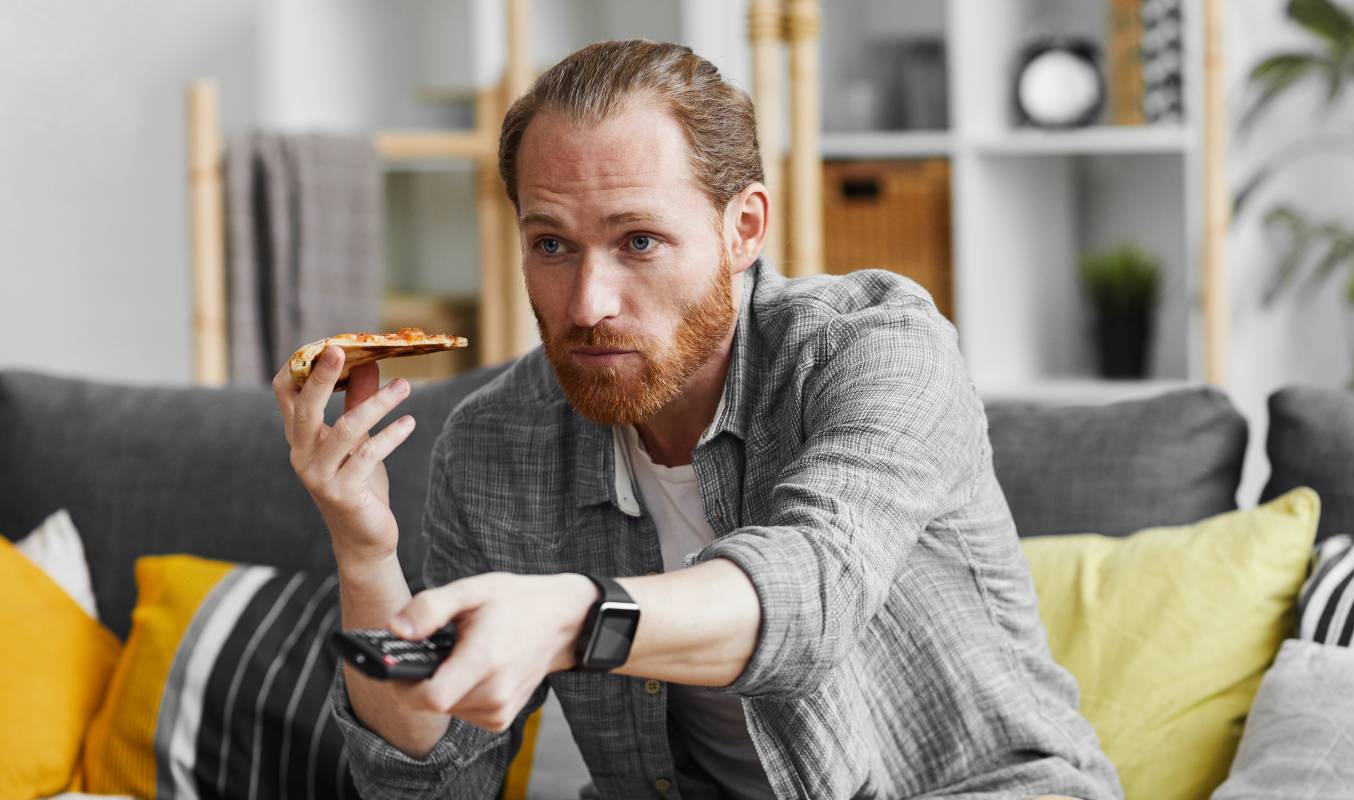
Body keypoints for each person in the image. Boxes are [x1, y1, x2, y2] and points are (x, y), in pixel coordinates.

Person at [274, 39, 1121, 800]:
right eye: (552, 245)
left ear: (742, 227)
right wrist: (364, 548)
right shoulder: (499, 440)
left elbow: (814, 594)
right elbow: (432, 782)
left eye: (638, 241)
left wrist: (576, 618)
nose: (587, 304)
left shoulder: (876, 348)